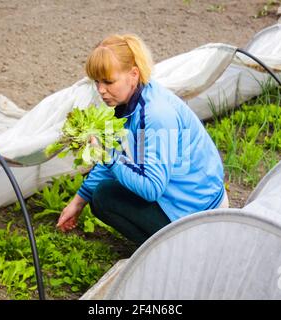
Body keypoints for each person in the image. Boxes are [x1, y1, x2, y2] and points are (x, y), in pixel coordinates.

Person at [57, 34, 228, 246]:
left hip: (201, 215)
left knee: (105, 197)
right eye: (97, 82)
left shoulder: (156, 115)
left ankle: (175, 251)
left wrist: (109, 156)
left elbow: (151, 188)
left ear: (133, 74)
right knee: (103, 190)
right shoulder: (127, 105)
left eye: (108, 81)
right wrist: (78, 201)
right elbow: (114, 154)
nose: (101, 90)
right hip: (186, 199)